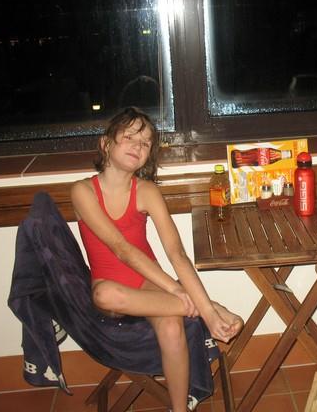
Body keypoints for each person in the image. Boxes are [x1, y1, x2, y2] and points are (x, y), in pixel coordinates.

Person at [71, 107, 243, 412]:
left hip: (148, 281)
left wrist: (173, 287)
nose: (138, 146)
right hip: (112, 287)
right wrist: (189, 298)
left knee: (172, 327)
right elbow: (121, 248)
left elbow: (176, 253)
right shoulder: (82, 191)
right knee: (104, 294)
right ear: (105, 143)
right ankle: (211, 308)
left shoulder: (147, 191)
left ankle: (178, 409)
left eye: (146, 142)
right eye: (129, 137)